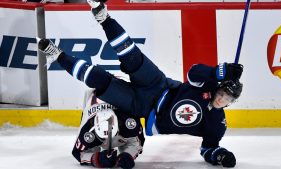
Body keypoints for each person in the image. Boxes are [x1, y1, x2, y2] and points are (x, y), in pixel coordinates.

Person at [38, 0, 243, 167]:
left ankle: (57, 56)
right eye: (222, 93)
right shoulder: (206, 85)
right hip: (158, 84)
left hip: (141, 106)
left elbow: (208, 148)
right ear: (218, 88)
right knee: (131, 56)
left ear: (230, 103)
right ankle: (103, 16)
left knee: (99, 80)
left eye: (228, 99)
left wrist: (220, 155)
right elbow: (193, 72)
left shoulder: (217, 123)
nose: (222, 99)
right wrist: (219, 71)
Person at [71, 89, 145, 169]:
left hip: (118, 99)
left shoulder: (129, 122)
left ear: (119, 124)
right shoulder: (87, 130)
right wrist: (96, 158)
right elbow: (77, 153)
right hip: (93, 100)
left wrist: (128, 155)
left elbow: (138, 142)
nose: (108, 142)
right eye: (103, 138)